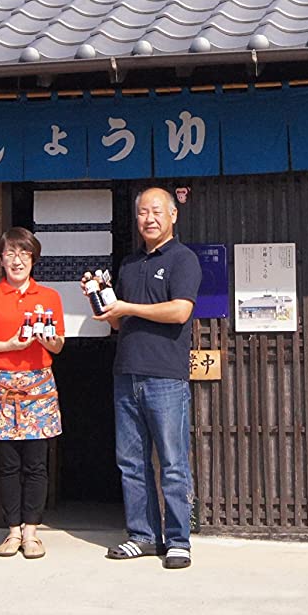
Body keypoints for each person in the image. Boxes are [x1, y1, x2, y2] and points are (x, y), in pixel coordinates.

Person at [95, 186, 202, 570]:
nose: (149, 218)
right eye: (142, 212)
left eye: (157, 211)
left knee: (172, 461)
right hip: (126, 372)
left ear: (174, 215)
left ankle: (178, 540)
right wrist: (106, 305)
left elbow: (179, 311)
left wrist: (127, 308)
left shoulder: (183, 259)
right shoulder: (128, 264)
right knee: (130, 461)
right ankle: (141, 535)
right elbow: (122, 320)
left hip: (165, 377)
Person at [0, 227, 65, 559]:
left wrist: (47, 340)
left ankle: (32, 533)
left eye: (24, 253)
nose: (17, 260)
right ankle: (12, 531)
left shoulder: (49, 297)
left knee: (36, 463)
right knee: (7, 464)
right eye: (10, 253)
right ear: (1, 259)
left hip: (38, 386)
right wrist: (7, 345)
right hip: (0, 387)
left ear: (33, 259)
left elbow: (59, 344)